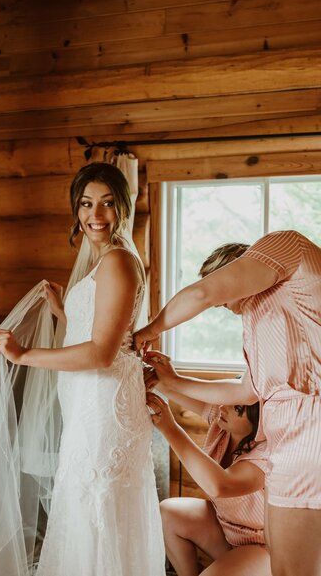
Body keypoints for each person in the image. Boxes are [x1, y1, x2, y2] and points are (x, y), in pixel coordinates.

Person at [0, 162, 165, 576]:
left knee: (95, 508)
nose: (96, 215)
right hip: (90, 404)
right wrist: (64, 313)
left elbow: (100, 354)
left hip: (103, 408)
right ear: (76, 211)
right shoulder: (103, 263)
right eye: (86, 204)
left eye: (108, 204)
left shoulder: (117, 261)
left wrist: (23, 354)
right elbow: (98, 330)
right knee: (86, 509)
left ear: (124, 209)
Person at [135, 230, 321, 576]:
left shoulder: (285, 245)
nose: (222, 305)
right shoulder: (258, 321)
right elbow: (245, 392)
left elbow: (204, 293)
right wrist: (171, 382)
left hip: (308, 439)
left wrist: (150, 329)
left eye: (224, 290)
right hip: (288, 444)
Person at [146, 382, 271, 576]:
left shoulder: (265, 455)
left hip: (261, 546)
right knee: (168, 513)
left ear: (259, 423)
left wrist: (171, 429)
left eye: (236, 408)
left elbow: (220, 486)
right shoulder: (223, 424)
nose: (223, 407)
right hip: (226, 528)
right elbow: (171, 387)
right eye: (227, 399)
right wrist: (159, 375)